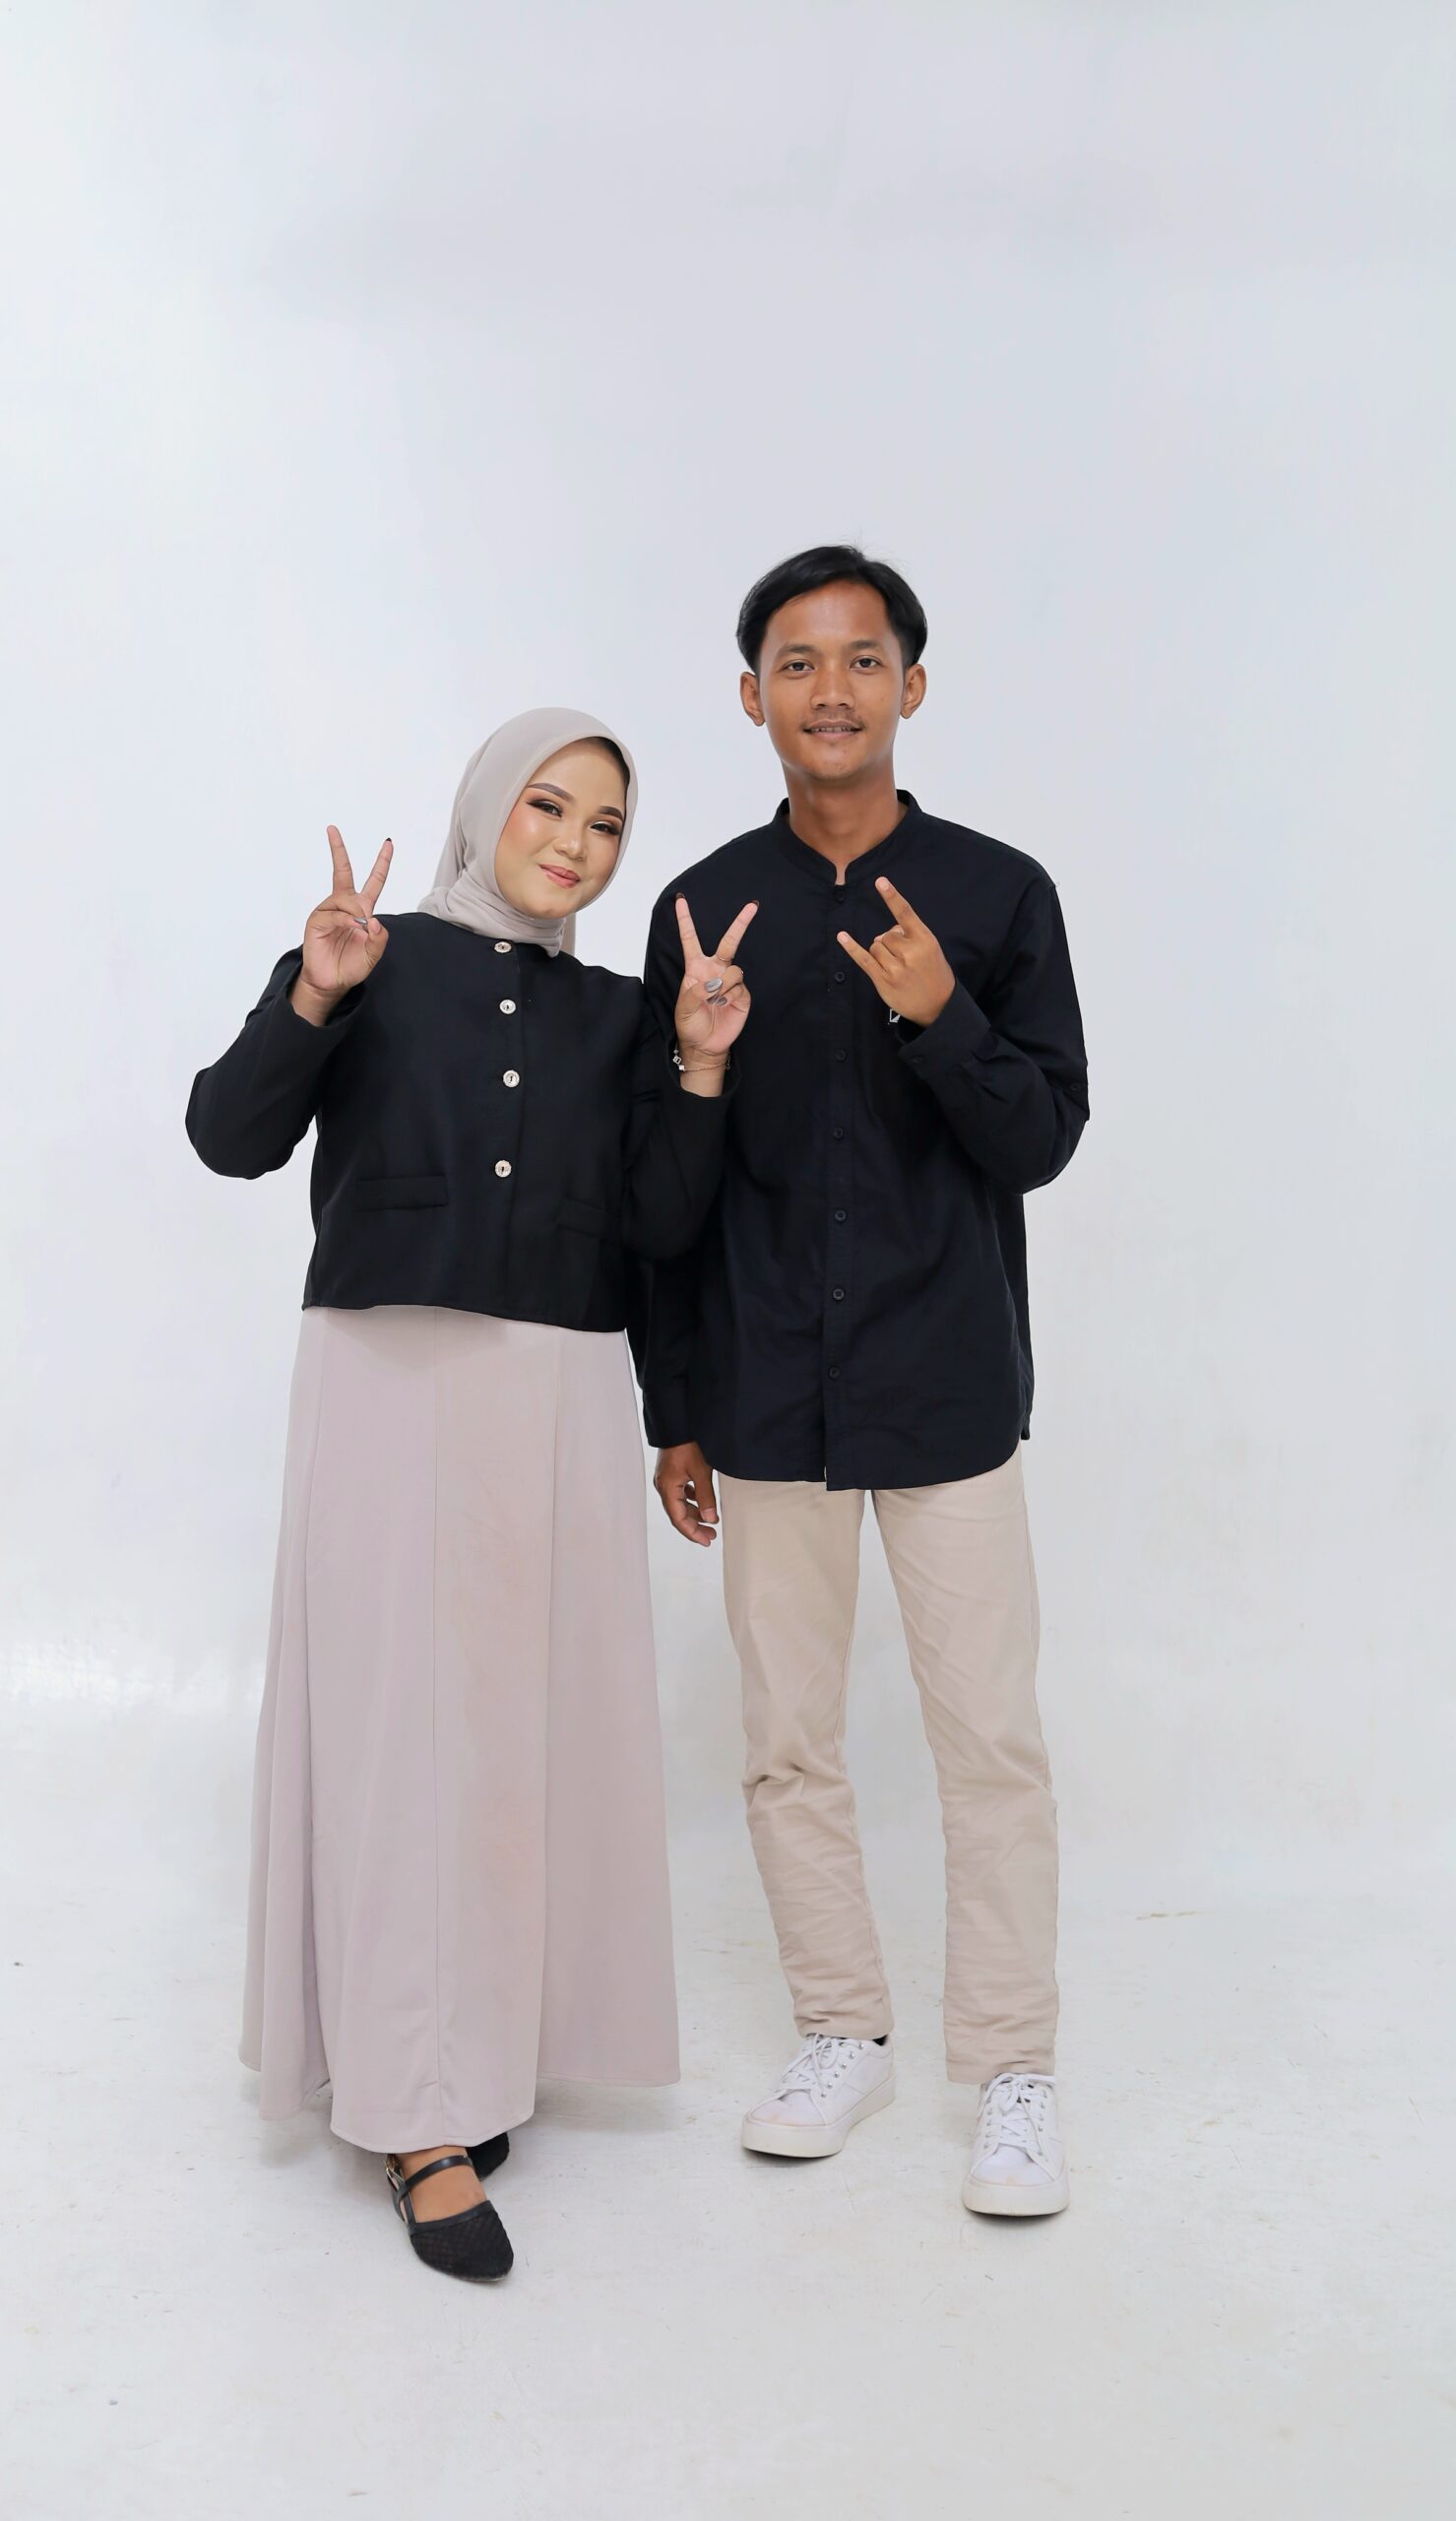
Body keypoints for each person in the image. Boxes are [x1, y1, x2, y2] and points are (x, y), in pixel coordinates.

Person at [187, 710, 755, 2281]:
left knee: (512, 1739)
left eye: (605, 825)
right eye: (547, 807)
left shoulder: (622, 1013)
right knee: (403, 1738)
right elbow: (227, 1136)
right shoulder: (374, 956)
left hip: (557, 1393)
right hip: (390, 1377)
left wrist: (701, 1064)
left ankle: (476, 2048)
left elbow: (662, 1227)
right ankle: (415, 2113)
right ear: (487, 806)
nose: (573, 844)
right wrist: (314, 990)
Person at [641, 549, 1088, 2216]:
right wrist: (674, 1406)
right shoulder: (700, 906)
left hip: (947, 1385)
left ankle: (1014, 2068)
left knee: (991, 1740)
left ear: (911, 683)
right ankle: (841, 2031)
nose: (829, 689)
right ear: (750, 694)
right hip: (765, 1393)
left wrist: (943, 1018)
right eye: (796, 661)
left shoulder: (999, 894)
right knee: (786, 1742)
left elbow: (1040, 1142)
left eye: (860, 658)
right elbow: (663, 1197)